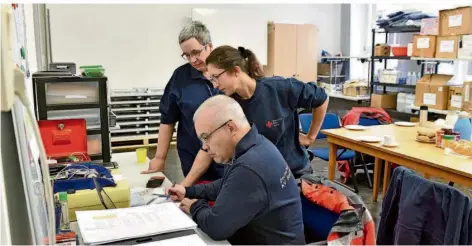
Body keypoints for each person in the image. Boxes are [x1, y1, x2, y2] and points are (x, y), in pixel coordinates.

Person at [167, 95, 305, 245]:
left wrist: (194, 206)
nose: (205, 146)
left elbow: (216, 227)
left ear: (230, 128)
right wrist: (189, 191)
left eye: (206, 137)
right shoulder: (258, 145)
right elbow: (228, 183)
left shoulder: (250, 167)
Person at [204, 45, 329, 178]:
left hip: (294, 172)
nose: (215, 84)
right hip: (259, 176)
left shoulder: (279, 88)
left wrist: (310, 137)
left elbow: (321, 98)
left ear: (235, 70)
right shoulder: (227, 104)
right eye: (211, 79)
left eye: (216, 77)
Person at [142, 21, 224, 186]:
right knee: (197, 199)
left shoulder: (226, 73)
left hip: (228, 158)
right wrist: (159, 158)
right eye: (187, 55)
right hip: (193, 157)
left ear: (209, 46)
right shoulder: (180, 78)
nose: (192, 60)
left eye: (196, 52)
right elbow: (167, 120)